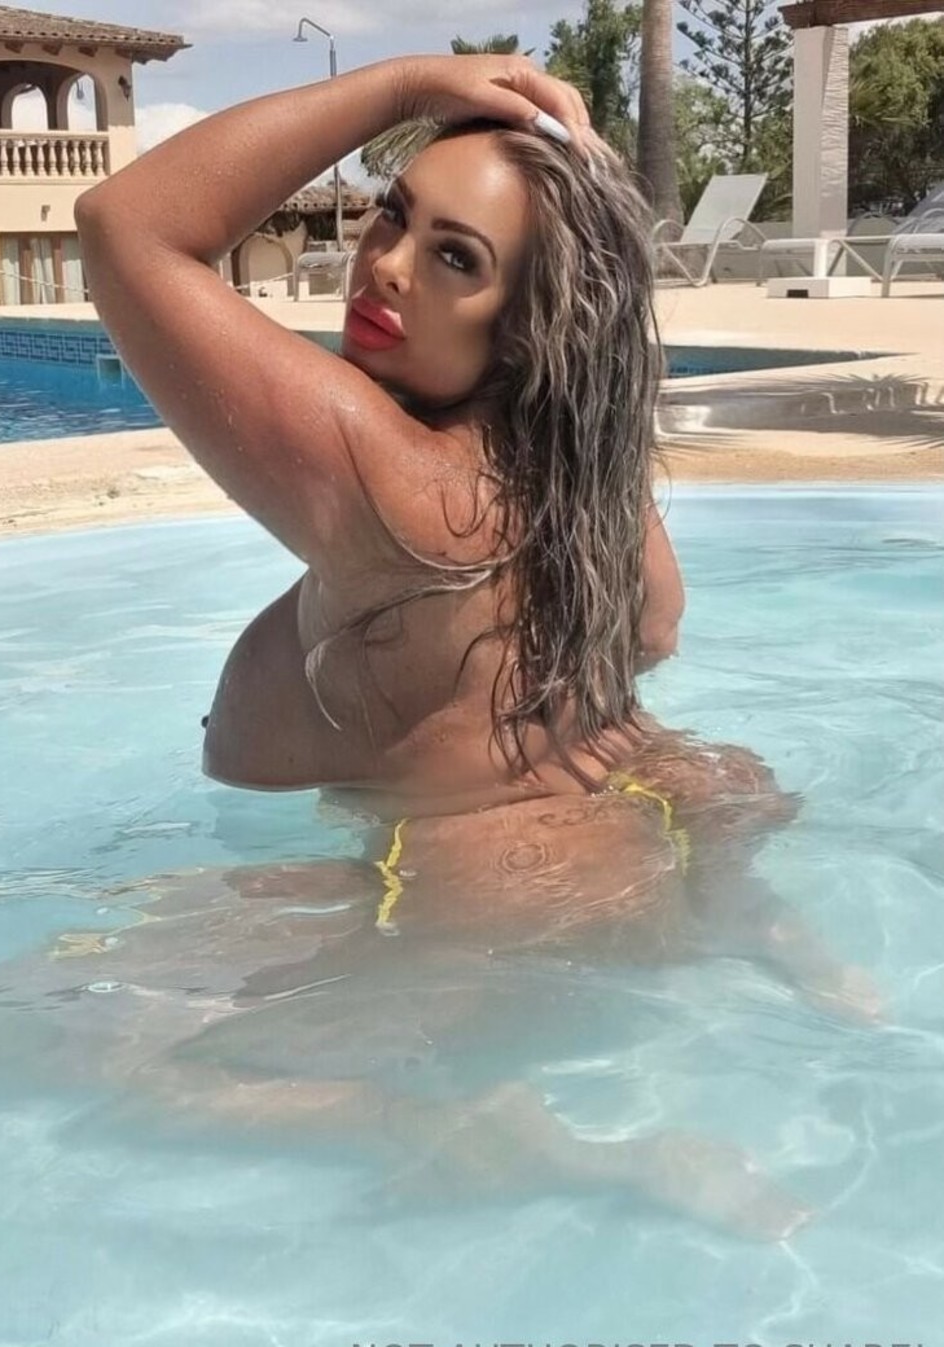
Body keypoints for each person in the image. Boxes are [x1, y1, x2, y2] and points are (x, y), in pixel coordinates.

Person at [66, 55, 877, 1236]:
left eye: (457, 259)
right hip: (641, 841)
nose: (389, 265)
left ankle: (492, 1141)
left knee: (64, 1035)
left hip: (478, 908)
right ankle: (757, 924)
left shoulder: (403, 486)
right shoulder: (587, 490)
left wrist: (405, 87)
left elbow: (126, 227)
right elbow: (649, 642)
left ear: (523, 325)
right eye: (393, 214)